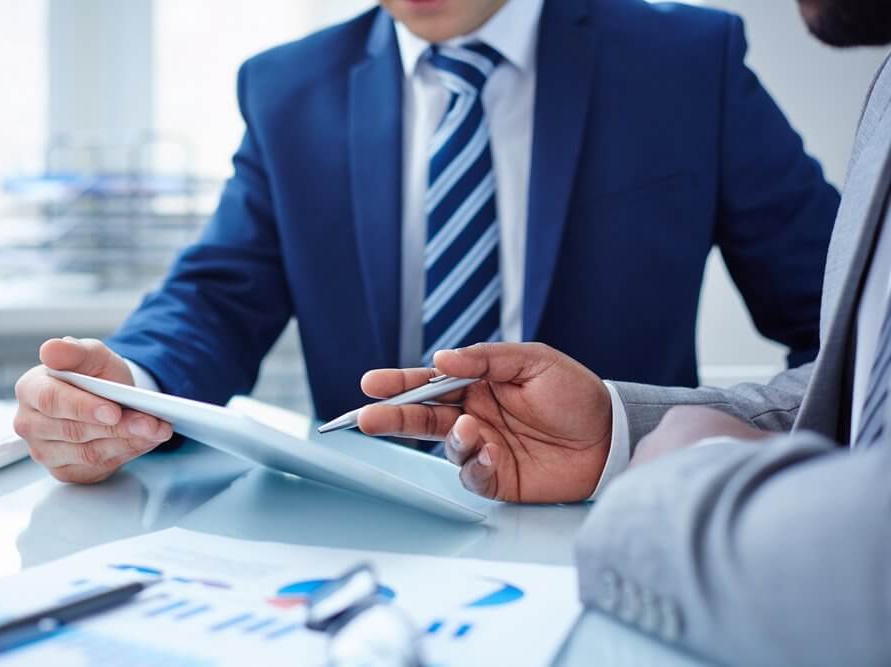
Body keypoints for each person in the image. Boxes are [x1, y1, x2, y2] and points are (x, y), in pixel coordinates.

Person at [13, 0, 839, 484]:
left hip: (619, 515)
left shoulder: (684, 60)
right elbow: (217, 295)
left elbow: (845, 314)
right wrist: (125, 386)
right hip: (367, 528)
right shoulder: (288, 86)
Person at [356, 1, 891, 663]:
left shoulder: (688, 55)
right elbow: (866, 382)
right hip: (368, 562)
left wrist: (675, 482)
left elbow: (826, 329)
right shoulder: (285, 84)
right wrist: (621, 430)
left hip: (619, 596)